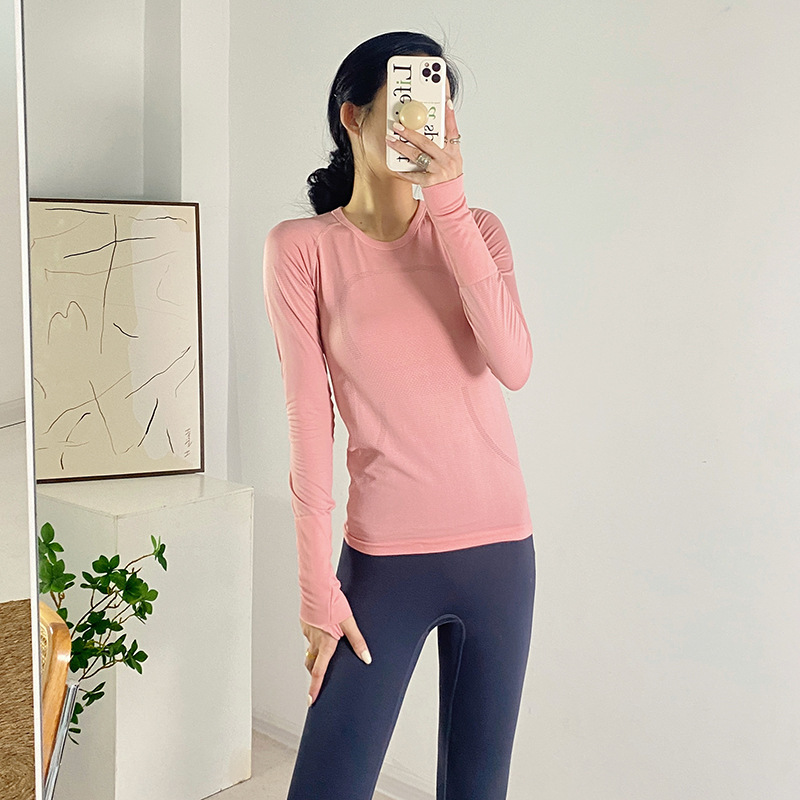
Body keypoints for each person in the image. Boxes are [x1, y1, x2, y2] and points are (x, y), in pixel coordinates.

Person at [263, 30, 536, 800]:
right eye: (409, 106)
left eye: (440, 109)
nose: (428, 125)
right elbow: (308, 422)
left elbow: (514, 364)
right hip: (384, 563)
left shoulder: (477, 231)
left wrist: (448, 205)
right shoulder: (301, 249)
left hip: (502, 554)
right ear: (352, 117)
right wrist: (316, 586)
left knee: (477, 788)